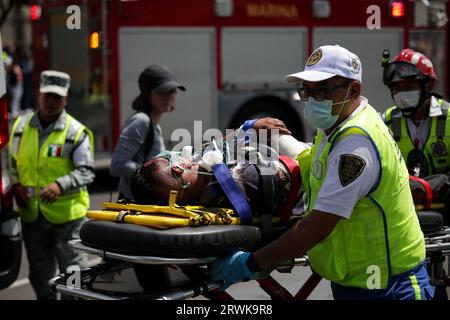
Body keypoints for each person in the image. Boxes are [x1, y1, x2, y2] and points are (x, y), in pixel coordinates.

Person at [208, 45, 433, 300]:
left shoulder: (356, 145)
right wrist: (260, 132)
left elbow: (316, 227)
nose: (314, 99)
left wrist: (250, 263)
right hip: (357, 282)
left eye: (324, 90)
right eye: (308, 90)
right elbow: (315, 164)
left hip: (389, 288)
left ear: (354, 90)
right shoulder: (339, 125)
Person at [8, 70, 95, 300]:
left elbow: (86, 171)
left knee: (74, 274)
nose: (51, 101)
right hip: (33, 217)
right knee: (39, 274)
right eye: (48, 95)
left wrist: (59, 185)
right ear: (39, 94)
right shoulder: (20, 126)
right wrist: (15, 185)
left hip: (68, 219)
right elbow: (12, 162)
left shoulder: (76, 132)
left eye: (57, 97)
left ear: (66, 99)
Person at [382, 48, 450, 300]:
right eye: (396, 88)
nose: (402, 93)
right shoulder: (385, 122)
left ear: (428, 84)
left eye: (409, 85)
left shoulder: (449, 117)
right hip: (403, 211)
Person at [110, 65, 185, 202]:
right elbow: (117, 165)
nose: (169, 96)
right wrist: (152, 172)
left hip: (145, 203)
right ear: (147, 94)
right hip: (132, 204)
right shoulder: (141, 121)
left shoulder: (153, 124)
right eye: (162, 91)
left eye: (172, 91)